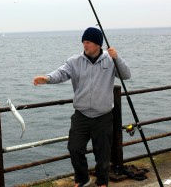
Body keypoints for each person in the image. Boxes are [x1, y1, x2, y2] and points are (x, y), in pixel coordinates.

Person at [33, 27, 131, 187]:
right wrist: (47, 78)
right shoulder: (74, 61)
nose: (84, 45)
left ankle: (102, 182)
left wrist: (117, 58)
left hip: (104, 116)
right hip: (81, 115)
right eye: (83, 42)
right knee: (74, 148)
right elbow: (61, 73)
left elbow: (126, 75)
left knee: (103, 153)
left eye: (88, 42)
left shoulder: (110, 60)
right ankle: (82, 178)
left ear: (98, 44)